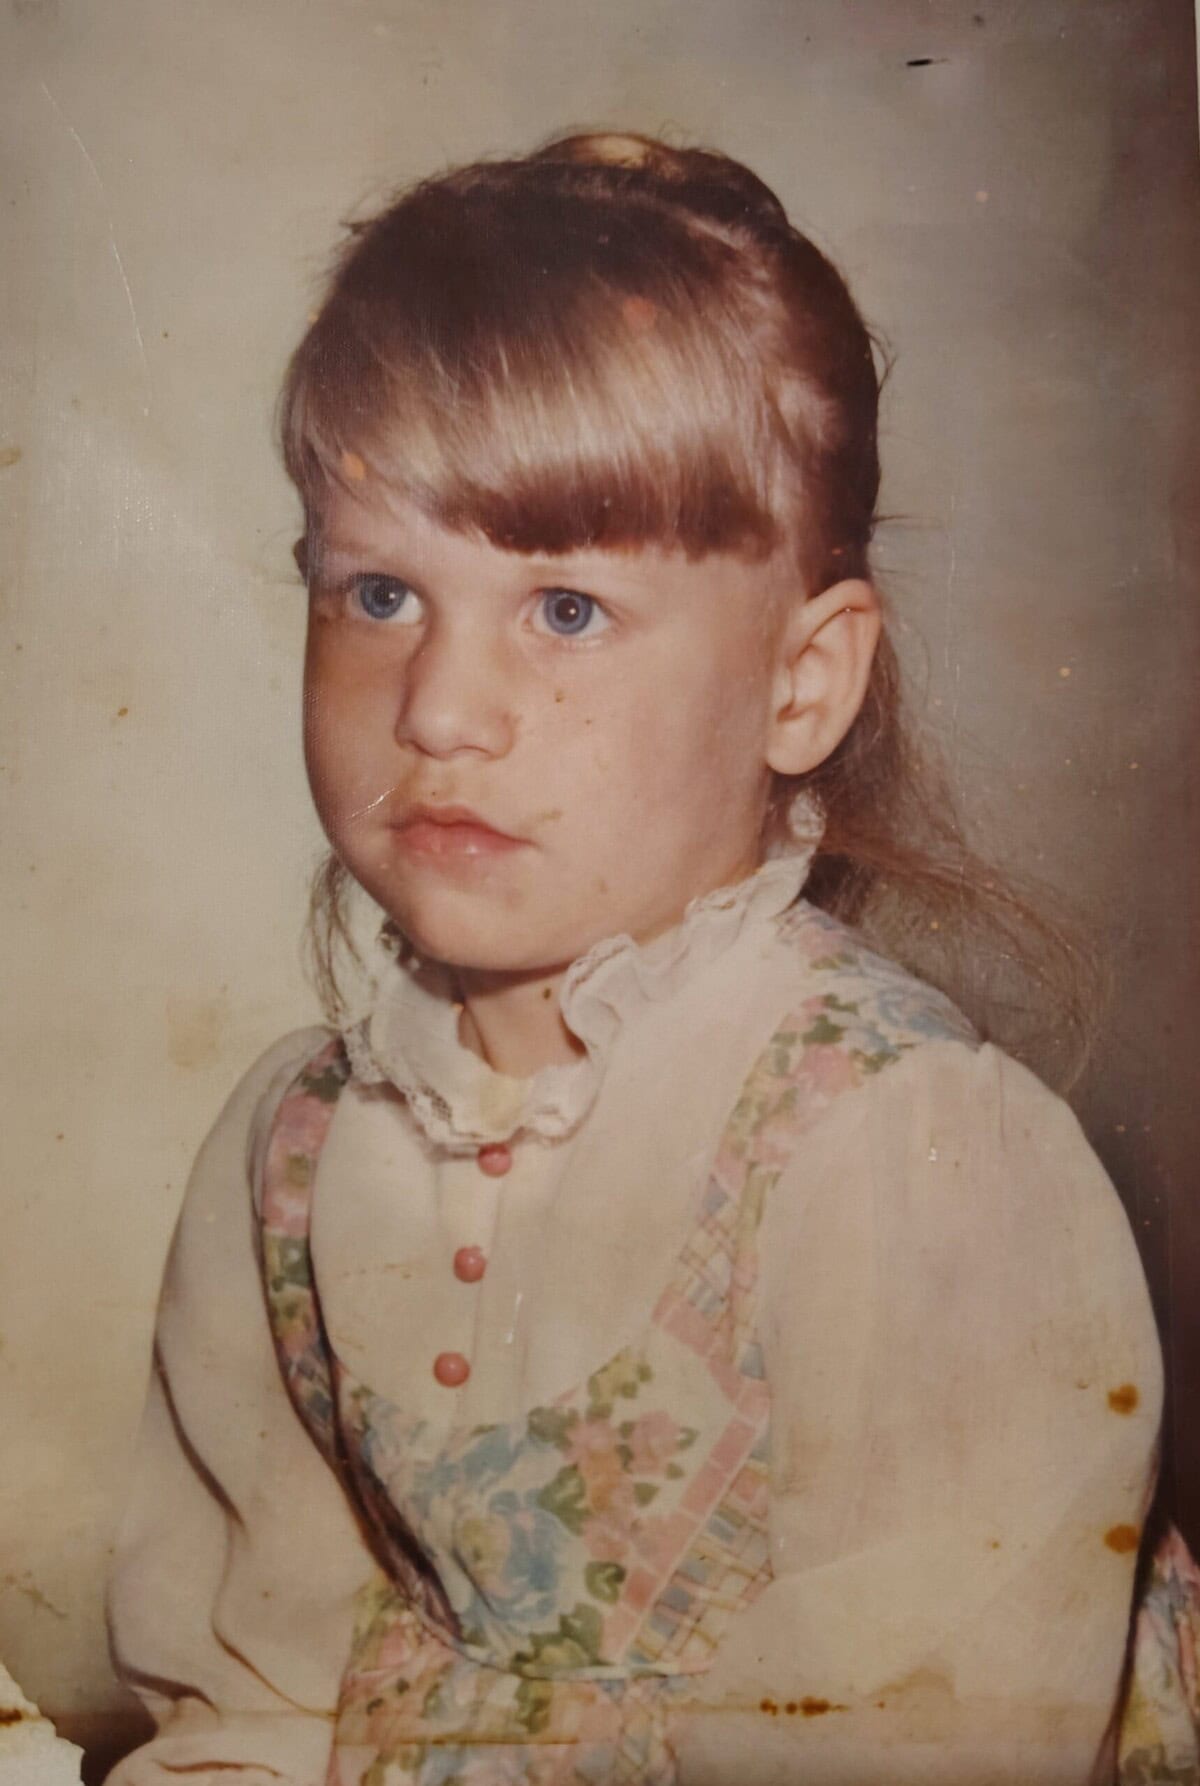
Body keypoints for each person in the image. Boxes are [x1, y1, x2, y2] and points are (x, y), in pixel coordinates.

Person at [105, 131, 1183, 1786]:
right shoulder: (292, 1157)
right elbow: (253, 1689)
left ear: (802, 686)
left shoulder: (911, 1158)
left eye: (566, 610)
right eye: (380, 592)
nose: (441, 709)